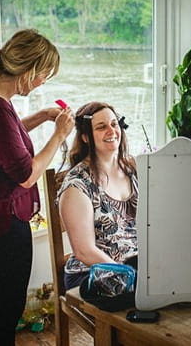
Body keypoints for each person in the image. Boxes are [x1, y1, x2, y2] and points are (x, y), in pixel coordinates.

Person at [0, 29, 74, 346]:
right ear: (29, 72)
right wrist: (60, 135)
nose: (43, 84)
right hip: (0, 224)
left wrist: (41, 116)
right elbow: (26, 174)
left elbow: (0, 141)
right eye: (43, 77)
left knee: (4, 301)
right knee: (10, 309)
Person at [57, 101, 138, 290]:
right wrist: (131, 277)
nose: (111, 131)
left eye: (114, 124)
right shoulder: (76, 185)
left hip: (133, 263)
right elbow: (84, 252)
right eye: (101, 127)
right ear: (86, 137)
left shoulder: (132, 169)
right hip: (92, 272)